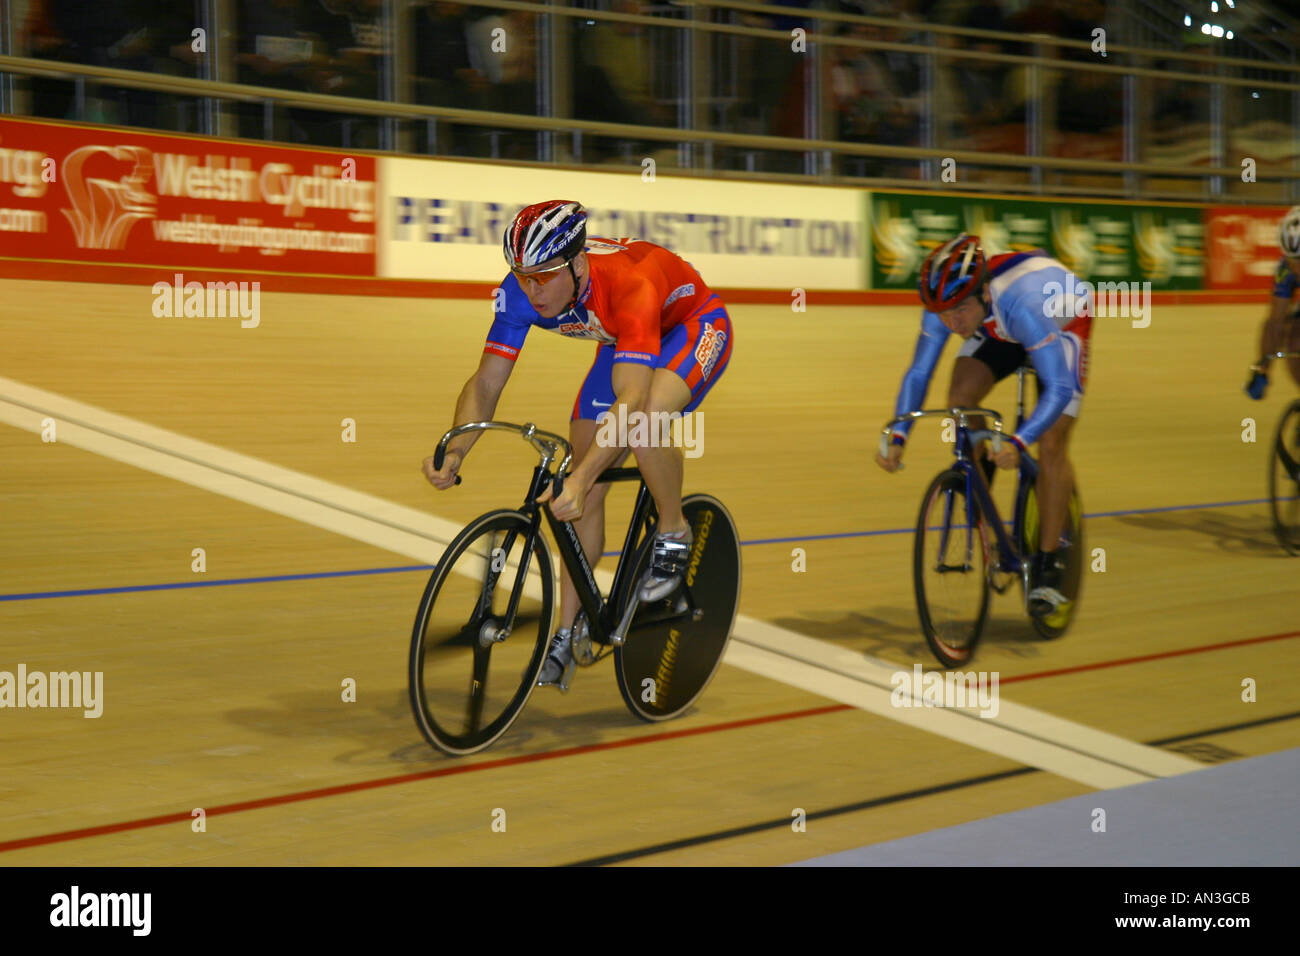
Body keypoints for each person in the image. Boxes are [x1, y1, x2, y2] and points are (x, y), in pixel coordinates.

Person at [421, 201, 734, 689]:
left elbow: (631, 396)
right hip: (621, 340)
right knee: (578, 492)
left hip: (691, 327)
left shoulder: (630, 285)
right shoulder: (521, 292)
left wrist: (584, 475)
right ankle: (566, 632)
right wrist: (458, 446)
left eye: (543, 277)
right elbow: (486, 384)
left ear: (578, 262)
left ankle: (674, 532)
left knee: (643, 423)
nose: (531, 290)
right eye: (521, 276)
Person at [876, 234, 1091, 619]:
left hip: (1060, 319)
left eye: (958, 311)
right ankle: (983, 475)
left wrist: (1020, 442)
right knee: (960, 400)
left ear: (982, 294)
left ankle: (1048, 564)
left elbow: (1058, 389)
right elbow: (919, 372)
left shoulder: (1020, 305)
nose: (951, 323)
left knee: (1053, 442)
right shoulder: (948, 306)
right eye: (942, 314)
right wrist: (898, 434)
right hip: (1000, 326)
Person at [1244, 206, 1300, 400]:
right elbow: (1274, 323)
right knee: (1292, 334)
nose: (1296, 267)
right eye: (1291, 259)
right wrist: (1262, 367)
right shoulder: (1285, 271)